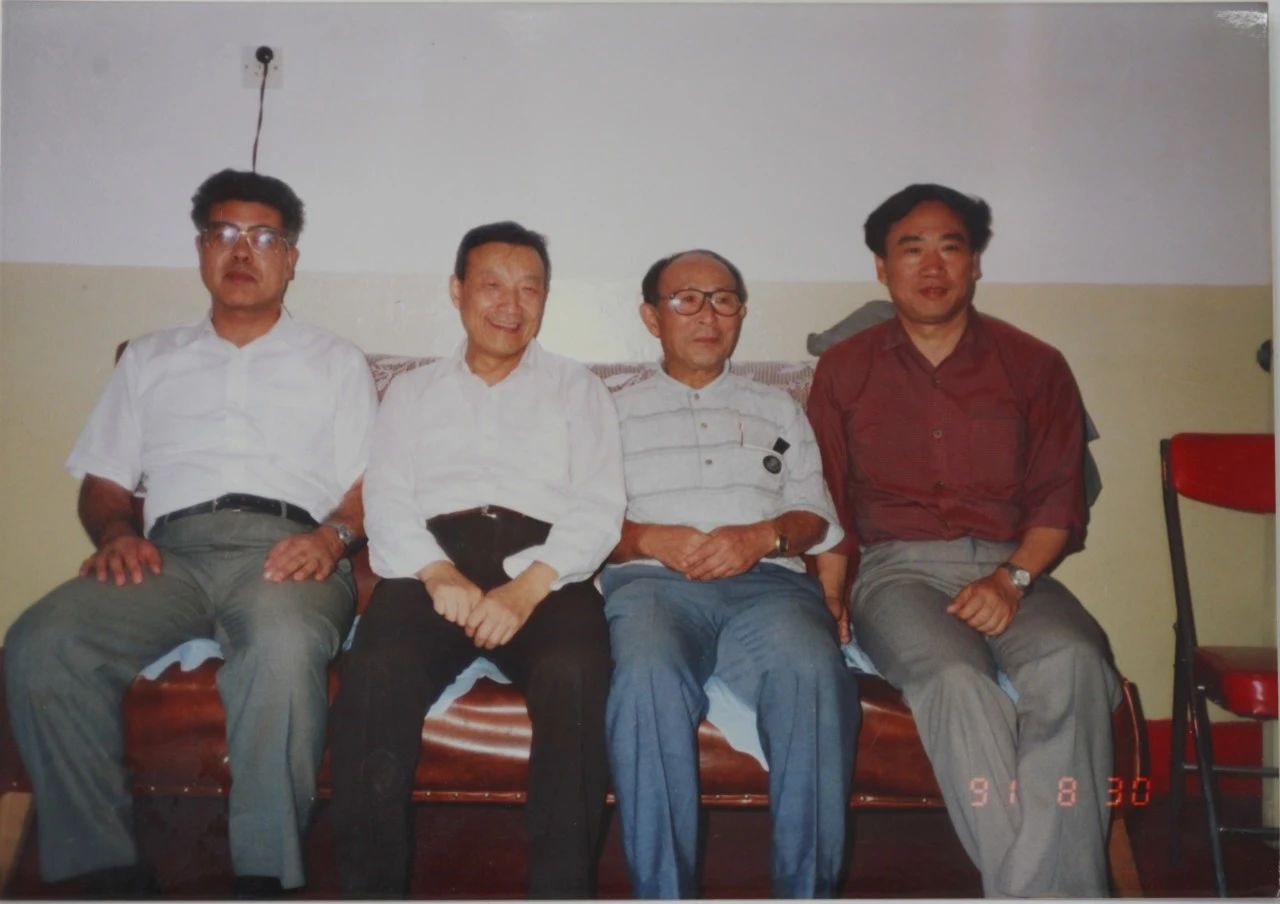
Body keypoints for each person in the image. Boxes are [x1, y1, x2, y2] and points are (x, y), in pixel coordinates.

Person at [4, 169, 378, 898]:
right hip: (168, 554)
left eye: (263, 236)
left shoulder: (335, 361)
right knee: (43, 640)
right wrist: (117, 533)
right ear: (201, 250)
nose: (241, 251)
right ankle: (103, 870)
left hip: (287, 551)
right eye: (223, 233)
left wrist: (332, 539)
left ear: (291, 258)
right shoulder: (150, 358)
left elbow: (369, 486)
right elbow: (105, 483)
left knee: (283, 644)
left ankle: (262, 877)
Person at [807, 183, 1121, 897]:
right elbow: (827, 499)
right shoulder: (845, 368)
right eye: (910, 249)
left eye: (950, 247)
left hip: (1018, 565)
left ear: (975, 261)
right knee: (955, 681)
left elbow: (1058, 500)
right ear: (882, 269)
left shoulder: (1035, 364)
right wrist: (830, 596)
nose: (932, 266)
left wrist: (1012, 580)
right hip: (898, 572)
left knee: (1074, 660)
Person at [329, 221, 625, 899]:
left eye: (529, 289)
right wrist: (436, 573)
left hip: (546, 567)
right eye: (492, 285)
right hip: (432, 562)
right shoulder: (412, 391)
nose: (510, 305)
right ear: (457, 290)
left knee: (577, 672)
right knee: (374, 672)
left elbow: (599, 505)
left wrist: (529, 588)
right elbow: (386, 497)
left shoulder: (579, 389)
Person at [603, 249, 858, 898]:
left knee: (813, 671)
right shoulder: (610, 413)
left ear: (740, 313)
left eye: (723, 299)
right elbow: (584, 526)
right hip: (653, 587)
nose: (707, 315)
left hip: (769, 587)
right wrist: (648, 537)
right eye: (686, 299)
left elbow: (815, 515)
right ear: (651, 317)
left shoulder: (778, 409)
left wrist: (762, 536)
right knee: (646, 676)